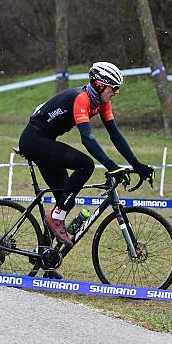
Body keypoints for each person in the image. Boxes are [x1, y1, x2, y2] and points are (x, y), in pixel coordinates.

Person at [18, 61, 154, 250]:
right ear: (99, 85)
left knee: (65, 199)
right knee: (85, 165)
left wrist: (137, 165)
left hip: (46, 141)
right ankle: (56, 217)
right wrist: (112, 166)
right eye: (114, 88)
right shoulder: (81, 99)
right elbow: (87, 139)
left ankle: (47, 258)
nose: (116, 92)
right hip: (34, 140)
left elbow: (114, 134)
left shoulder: (101, 103)